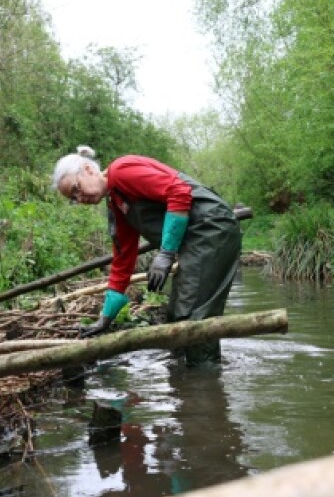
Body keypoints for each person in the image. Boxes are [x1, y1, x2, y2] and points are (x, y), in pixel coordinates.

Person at [51, 146, 242, 364]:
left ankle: (204, 382)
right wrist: (105, 317)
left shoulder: (122, 171)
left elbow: (179, 191)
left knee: (192, 315)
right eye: (73, 198)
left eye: (76, 188)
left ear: (88, 169)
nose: (80, 197)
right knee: (176, 317)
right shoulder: (116, 202)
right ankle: (184, 380)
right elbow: (123, 259)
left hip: (212, 228)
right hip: (198, 239)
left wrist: (166, 254)